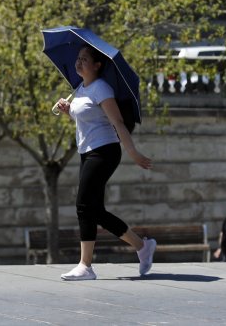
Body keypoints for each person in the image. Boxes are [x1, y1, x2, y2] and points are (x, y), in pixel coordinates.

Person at [54, 44, 156, 281]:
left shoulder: (101, 88)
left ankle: (85, 265)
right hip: (87, 151)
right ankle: (142, 246)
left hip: (105, 151)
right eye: (78, 59)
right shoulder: (80, 88)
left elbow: (118, 122)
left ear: (97, 65)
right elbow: (87, 119)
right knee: (94, 209)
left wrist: (133, 152)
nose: (79, 62)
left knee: (83, 205)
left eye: (85, 59)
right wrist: (68, 111)